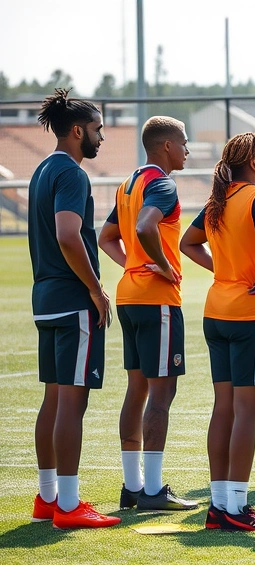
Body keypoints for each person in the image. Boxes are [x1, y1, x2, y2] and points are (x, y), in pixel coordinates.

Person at [180, 132, 255, 531]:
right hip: (252, 316)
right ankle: (237, 508)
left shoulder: (217, 202)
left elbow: (188, 243)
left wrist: (225, 274)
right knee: (246, 412)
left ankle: (220, 505)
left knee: (224, 408)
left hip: (217, 312)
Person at [27, 88, 120, 529]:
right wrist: (96, 289)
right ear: (79, 130)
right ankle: (68, 503)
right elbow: (68, 235)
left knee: (53, 398)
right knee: (71, 402)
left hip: (46, 300)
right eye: (98, 129)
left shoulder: (42, 169)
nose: (101, 137)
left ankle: (47, 498)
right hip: (71, 300)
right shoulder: (72, 174)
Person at [96, 116, 198, 512]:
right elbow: (144, 227)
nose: (187, 150)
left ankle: (133, 486)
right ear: (167, 146)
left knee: (137, 389)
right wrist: (161, 265)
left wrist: (133, 265)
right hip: (156, 300)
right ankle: (154, 490)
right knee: (161, 392)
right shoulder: (162, 184)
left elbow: (107, 237)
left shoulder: (127, 184)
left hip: (130, 296)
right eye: (184, 142)